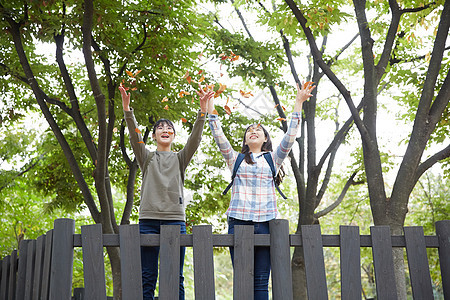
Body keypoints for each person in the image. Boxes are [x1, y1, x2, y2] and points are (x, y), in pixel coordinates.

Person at [200, 81, 315, 300]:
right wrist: (211, 106)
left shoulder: (273, 159)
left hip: (265, 222)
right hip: (238, 221)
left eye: (258, 130)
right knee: (243, 278)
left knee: (261, 281)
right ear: (245, 139)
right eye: (250, 131)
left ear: (265, 139)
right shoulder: (235, 159)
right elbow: (218, 136)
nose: (253, 132)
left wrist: (298, 103)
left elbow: (290, 136)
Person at [120, 85, 214, 300]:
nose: (165, 129)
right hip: (148, 220)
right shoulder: (147, 157)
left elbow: (195, 140)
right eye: (160, 127)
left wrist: (202, 112)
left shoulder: (180, 159)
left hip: (174, 220)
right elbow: (135, 139)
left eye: (169, 128)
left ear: (172, 135)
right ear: (153, 136)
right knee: (147, 276)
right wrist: (127, 110)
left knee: (175, 276)